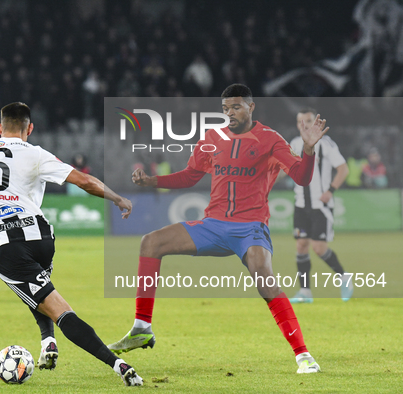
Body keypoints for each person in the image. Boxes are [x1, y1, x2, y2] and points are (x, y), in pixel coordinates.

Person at [108, 84, 326, 374]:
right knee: (151, 243)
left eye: (236, 107)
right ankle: (141, 328)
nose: (229, 113)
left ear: (251, 107)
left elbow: (301, 177)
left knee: (265, 281)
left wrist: (309, 150)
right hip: (213, 225)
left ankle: (303, 355)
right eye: (225, 108)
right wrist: (151, 181)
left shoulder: (270, 139)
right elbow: (189, 177)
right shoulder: (212, 137)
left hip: (250, 228)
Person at [0, 102, 143, 386]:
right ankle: (48, 341)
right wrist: (118, 198)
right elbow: (83, 181)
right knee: (39, 291)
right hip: (41, 237)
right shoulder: (36, 154)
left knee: (56, 306)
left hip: (6, 245)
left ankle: (119, 366)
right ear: (29, 128)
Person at [288, 108, 353, 304]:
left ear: (315, 122)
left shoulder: (326, 144)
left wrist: (330, 191)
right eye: (301, 121)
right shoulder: (294, 143)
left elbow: (343, 169)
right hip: (300, 203)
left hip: (320, 205)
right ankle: (305, 292)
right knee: (301, 245)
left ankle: (343, 276)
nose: (305, 125)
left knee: (318, 247)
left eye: (308, 121)